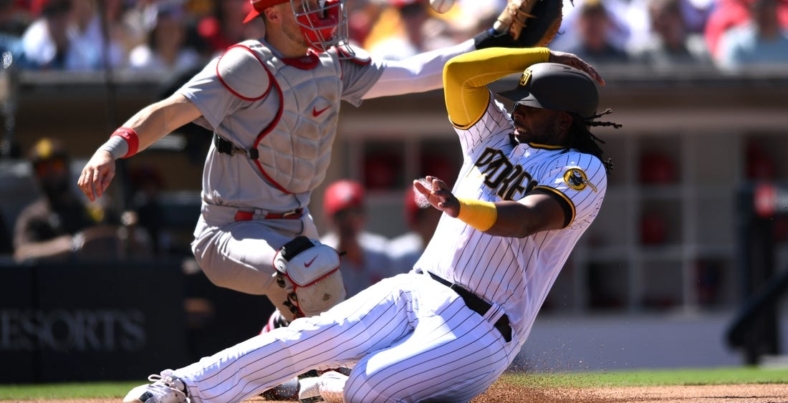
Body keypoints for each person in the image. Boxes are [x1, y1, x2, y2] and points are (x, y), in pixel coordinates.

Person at [120, 45, 618, 403]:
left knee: (370, 387)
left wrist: (458, 206)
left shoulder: (582, 170)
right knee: (306, 337)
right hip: (417, 287)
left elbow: (528, 219)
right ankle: (181, 388)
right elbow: (458, 75)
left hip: (482, 326)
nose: (516, 112)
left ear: (563, 121)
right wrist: (535, 54)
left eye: (530, 109)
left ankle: (325, 388)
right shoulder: (497, 137)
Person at [78, 0, 533, 325]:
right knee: (310, 268)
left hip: (296, 224)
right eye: (305, 1)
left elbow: (414, 74)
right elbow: (170, 111)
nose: (322, 7)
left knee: (329, 333)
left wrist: (493, 40)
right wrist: (110, 148)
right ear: (272, 14)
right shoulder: (246, 64)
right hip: (230, 231)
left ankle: (278, 360)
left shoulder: (332, 62)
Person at [320, 179, 391, 298]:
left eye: (356, 212)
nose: (350, 221)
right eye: (341, 215)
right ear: (329, 219)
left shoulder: (381, 253)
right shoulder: (320, 258)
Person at [386, 186, 442, 275]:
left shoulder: (456, 250)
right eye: (428, 217)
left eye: (440, 214)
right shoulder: (398, 254)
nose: (436, 221)